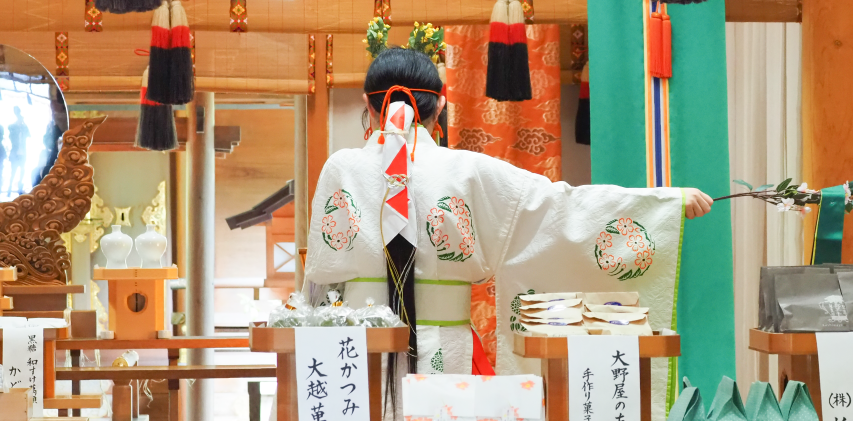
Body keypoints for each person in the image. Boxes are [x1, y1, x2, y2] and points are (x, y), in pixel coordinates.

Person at [305, 48, 714, 402]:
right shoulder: (466, 170)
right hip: (444, 350)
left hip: (353, 353)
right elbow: (559, 206)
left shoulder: (340, 168)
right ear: (441, 106)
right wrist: (664, 202)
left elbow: (318, 285)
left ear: (368, 104)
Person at [8, 106, 29, 191]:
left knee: (22, 170)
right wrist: (17, 126)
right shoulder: (13, 126)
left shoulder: (24, 127)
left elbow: (29, 134)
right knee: (13, 171)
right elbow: (10, 132)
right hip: (15, 152)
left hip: (23, 152)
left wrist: (23, 123)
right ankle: (10, 186)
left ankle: (20, 186)